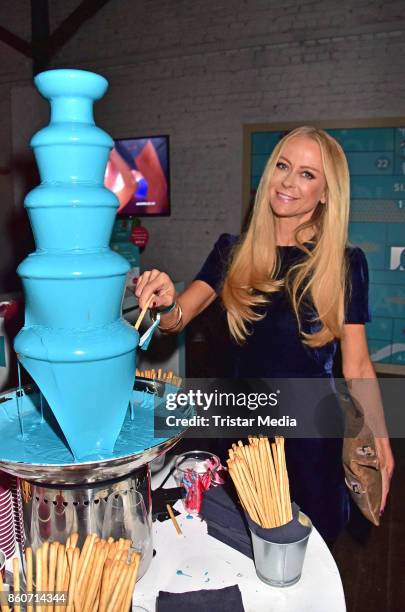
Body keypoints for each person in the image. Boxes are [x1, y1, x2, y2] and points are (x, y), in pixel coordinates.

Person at [135, 126, 394, 542]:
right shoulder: (230, 252)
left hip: (309, 442)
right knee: (232, 549)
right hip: (239, 435)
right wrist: (165, 304)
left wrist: (378, 433)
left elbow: (358, 363)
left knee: (305, 557)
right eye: (283, 165)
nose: (289, 181)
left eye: (308, 174)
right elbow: (177, 319)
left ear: (327, 193)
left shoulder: (345, 264)